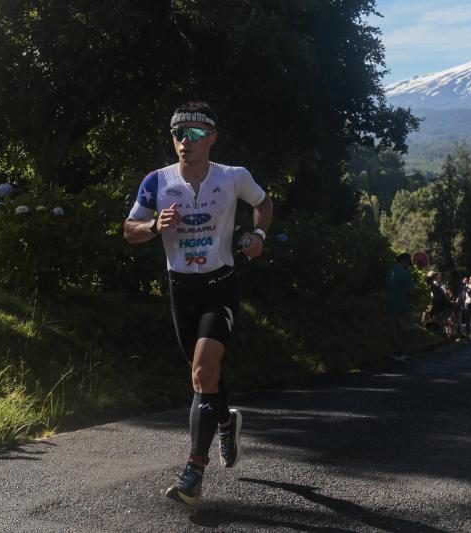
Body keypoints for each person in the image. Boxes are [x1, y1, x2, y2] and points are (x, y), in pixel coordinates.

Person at [124, 101, 273, 506]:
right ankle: (227, 420)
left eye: (192, 134)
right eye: (177, 134)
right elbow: (129, 230)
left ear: (212, 138)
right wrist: (155, 226)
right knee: (204, 378)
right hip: (181, 291)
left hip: (219, 287)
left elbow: (264, 204)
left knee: (204, 371)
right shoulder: (157, 181)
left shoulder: (233, 177)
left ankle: (193, 473)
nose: (184, 142)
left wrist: (258, 237)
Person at [386, 253, 416, 363]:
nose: (409, 265)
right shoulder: (405, 274)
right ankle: (404, 353)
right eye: (408, 263)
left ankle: (395, 352)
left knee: (395, 331)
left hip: (391, 306)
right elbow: (411, 292)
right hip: (404, 306)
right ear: (405, 261)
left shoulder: (390, 273)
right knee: (409, 330)